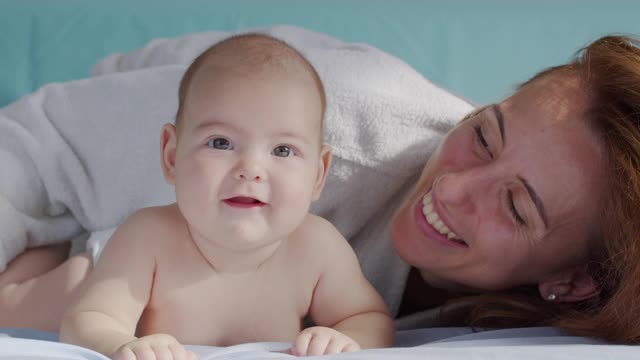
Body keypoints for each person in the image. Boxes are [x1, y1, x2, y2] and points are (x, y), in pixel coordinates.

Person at [2, 33, 640, 345]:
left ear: (578, 281)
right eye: (485, 133)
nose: (453, 187)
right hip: (97, 142)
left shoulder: (546, 325)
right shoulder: (330, 123)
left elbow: (360, 321)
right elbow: (36, 141)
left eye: (515, 205)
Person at [57, 33, 395, 359]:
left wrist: (345, 339)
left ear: (319, 174)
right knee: (17, 301)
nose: (251, 169)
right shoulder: (146, 238)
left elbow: (369, 318)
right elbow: (88, 320)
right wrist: (120, 344)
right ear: (172, 156)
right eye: (221, 143)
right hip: (87, 271)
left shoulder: (317, 248)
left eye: (282, 149)